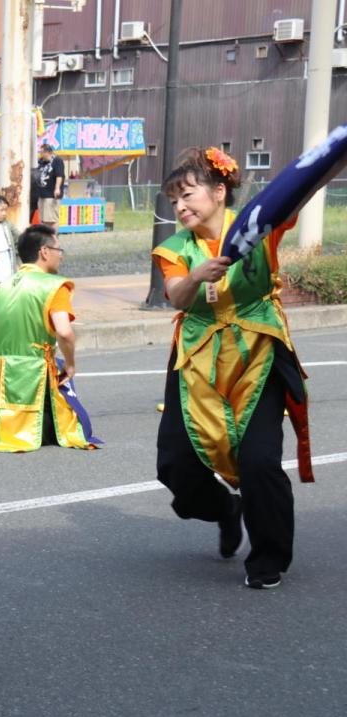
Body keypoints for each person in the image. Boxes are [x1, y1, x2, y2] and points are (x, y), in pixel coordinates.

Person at [152, 147, 311, 590]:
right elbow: (176, 297)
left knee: (259, 460)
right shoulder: (175, 248)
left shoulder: (259, 228)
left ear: (219, 191)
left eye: (187, 195)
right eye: (174, 201)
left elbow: (297, 193)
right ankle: (225, 509)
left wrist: (325, 161)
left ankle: (268, 559)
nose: (180, 207)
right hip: (197, 356)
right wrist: (196, 276)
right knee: (176, 467)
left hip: (257, 350)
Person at [0, 225, 99, 453]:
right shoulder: (54, 286)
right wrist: (70, 364)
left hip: (2, 370)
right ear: (44, 252)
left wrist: (2, 350)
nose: (61, 255)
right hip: (35, 371)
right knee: (56, 423)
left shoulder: (3, 287)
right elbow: (64, 332)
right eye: (59, 249)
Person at [36, 144, 65, 230]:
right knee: (43, 219)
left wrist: (57, 188)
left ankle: (53, 238)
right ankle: (45, 238)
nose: (40, 154)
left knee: (52, 219)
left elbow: (59, 175)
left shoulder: (57, 160)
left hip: (51, 195)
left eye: (42, 152)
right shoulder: (41, 162)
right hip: (42, 194)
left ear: (48, 152)